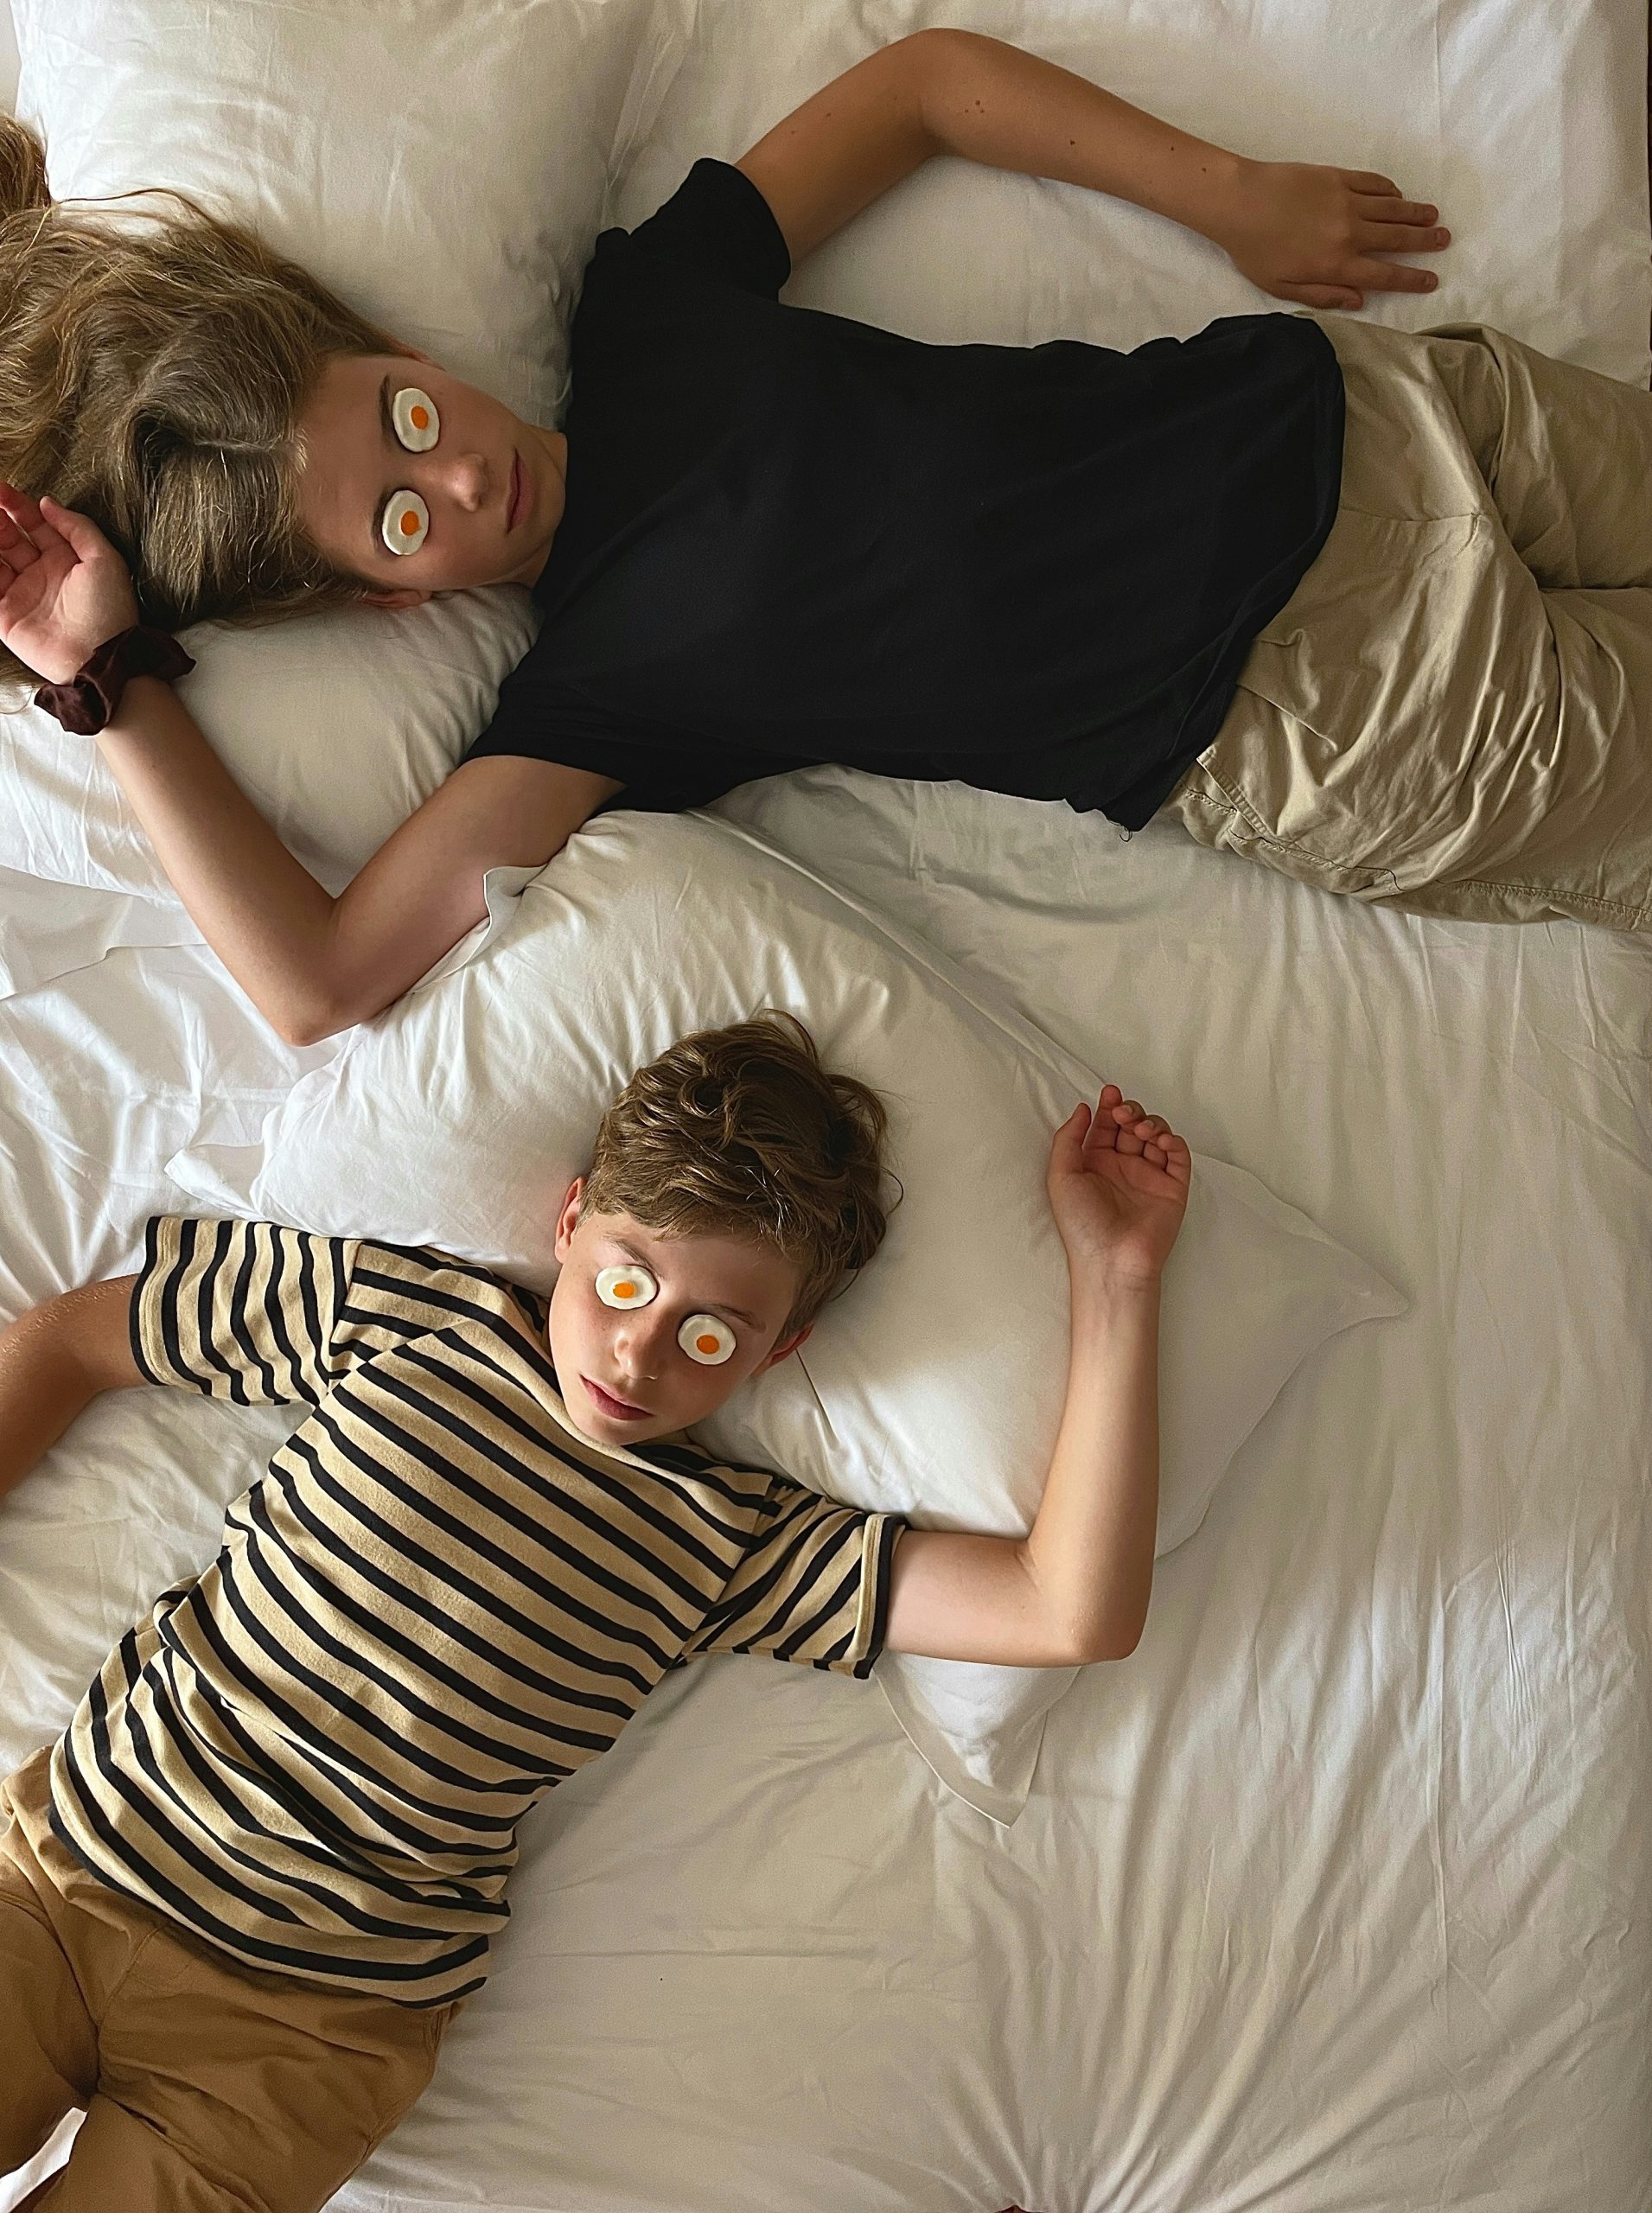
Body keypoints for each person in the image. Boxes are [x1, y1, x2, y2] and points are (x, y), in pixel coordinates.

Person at [0, 28, 1483, 1045]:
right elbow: (318, 985)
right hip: (1341, 712)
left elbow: (922, 87)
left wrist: (1230, 196)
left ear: (404, 350)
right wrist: (103, 673)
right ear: (391, 603)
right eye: (401, 521)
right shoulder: (593, 702)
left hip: (1365, 407)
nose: (454, 478)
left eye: (403, 418)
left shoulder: (649, 313)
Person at [0, 1011, 1190, 2210]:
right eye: (627, 1279)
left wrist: (1120, 1278)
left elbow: (1069, 1608)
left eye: (711, 1333)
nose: (636, 1355)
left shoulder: (735, 1543)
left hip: (301, 2036)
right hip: (65, 1878)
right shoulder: (399, 1322)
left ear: (781, 1351)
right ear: (571, 1223)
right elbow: (72, 1342)